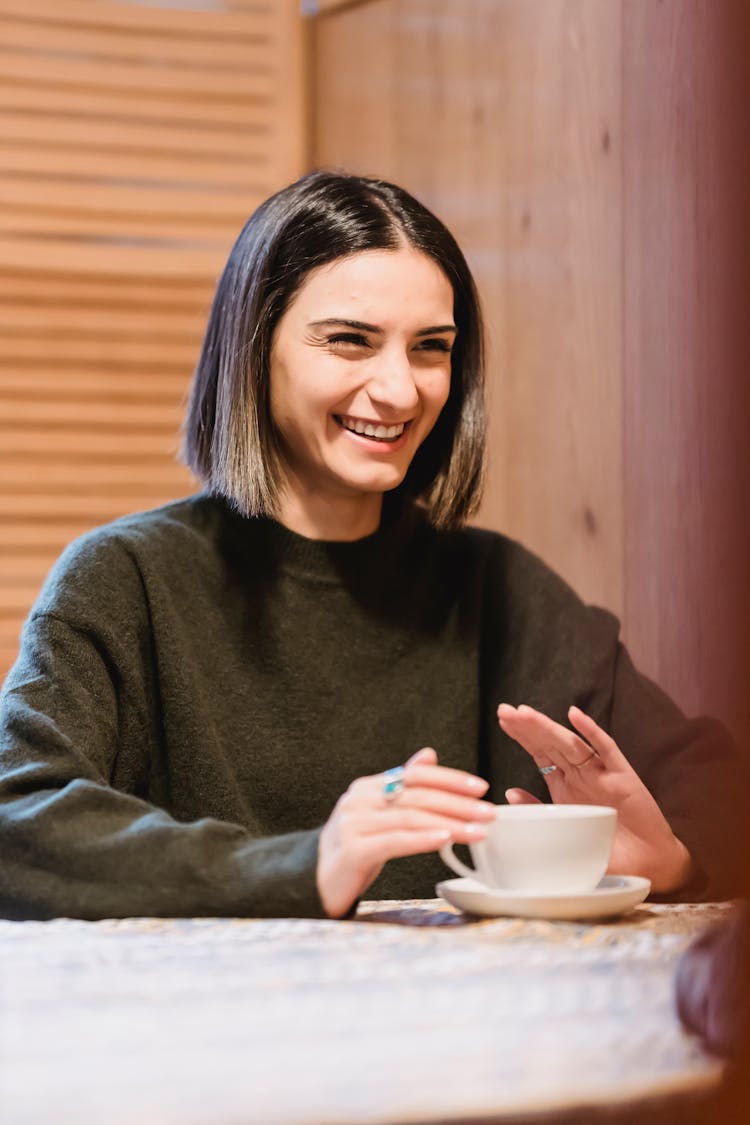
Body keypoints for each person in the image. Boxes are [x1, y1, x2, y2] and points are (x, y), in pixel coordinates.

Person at [0, 170, 742, 920]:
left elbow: (719, 790)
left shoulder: (501, 588)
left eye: (430, 348)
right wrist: (301, 864)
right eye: (350, 341)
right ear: (254, 347)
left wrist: (672, 857)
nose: (400, 390)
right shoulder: (123, 580)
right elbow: (17, 822)